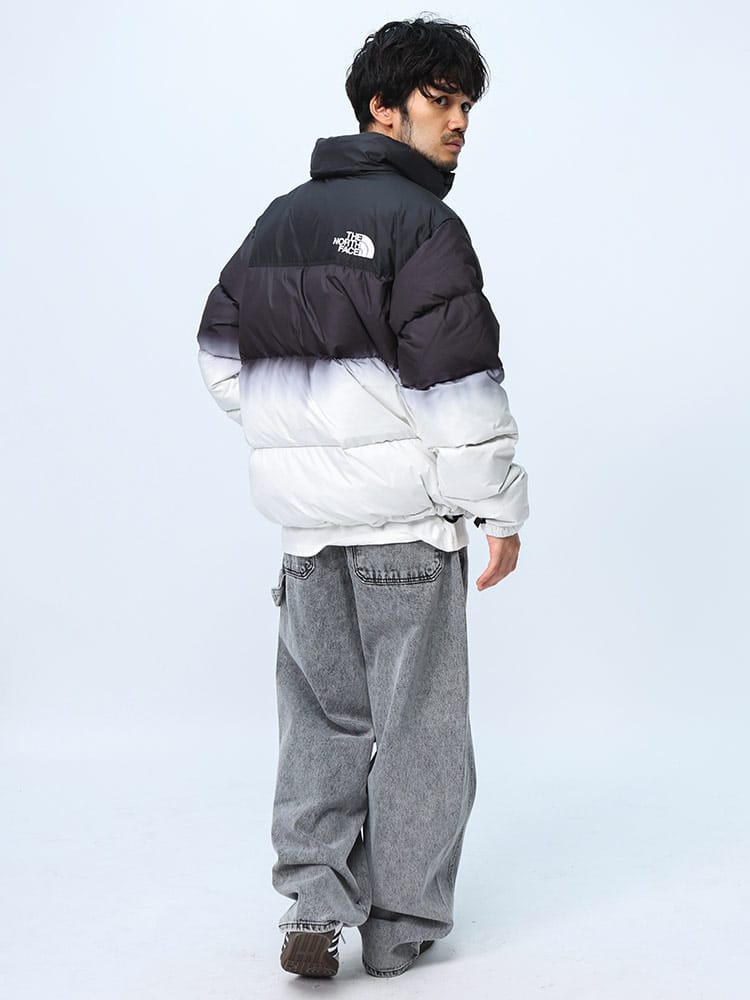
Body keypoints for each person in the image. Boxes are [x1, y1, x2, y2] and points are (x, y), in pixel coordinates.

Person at [196, 15, 529, 980]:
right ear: (383, 107)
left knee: (321, 720)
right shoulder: (425, 225)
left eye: (467, 106)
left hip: (306, 537)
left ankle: (313, 899)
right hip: (407, 533)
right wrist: (499, 508)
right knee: (421, 730)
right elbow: (457, 390)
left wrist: (307, 440)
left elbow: (220, 358)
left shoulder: (280, 219)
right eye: (441, 101)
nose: (459, 122)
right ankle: (398, 928)